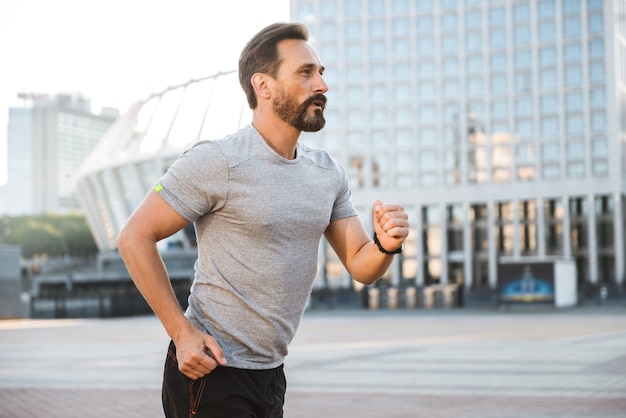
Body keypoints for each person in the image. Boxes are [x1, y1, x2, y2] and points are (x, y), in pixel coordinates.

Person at [117, 22, 409, 417]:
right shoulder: (217, 160)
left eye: (321, 73)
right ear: (263, 85)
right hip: (211, 369)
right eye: (306, 73)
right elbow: (134, 236)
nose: (321, 85)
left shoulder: (327, 173)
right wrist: (181, 333)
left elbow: (361, 263)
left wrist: (386, 244)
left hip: (271, 375)